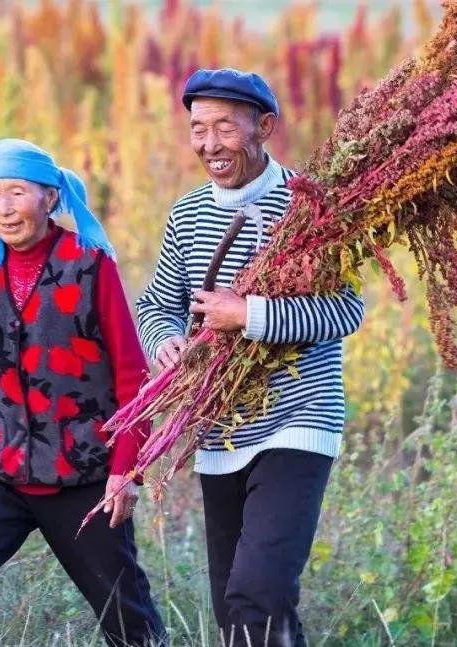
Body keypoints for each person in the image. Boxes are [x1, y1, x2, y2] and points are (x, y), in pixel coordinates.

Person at [135, 69, 365, 646]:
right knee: (236, 605)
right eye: (198, 129)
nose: (210, 144)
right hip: (222, 435)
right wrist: (164, 340)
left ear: (264, 127)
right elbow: (156, 303)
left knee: (256, 592)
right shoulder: (186, 215)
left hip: (299, 421)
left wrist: (250, 314)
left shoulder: (311, 207)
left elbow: (344, 313)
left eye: (224, 129)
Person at [0, 138, 166, 647]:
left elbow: (132, 377)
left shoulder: (90, 264)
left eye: (17, 192)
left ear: (50, 198)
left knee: (127, 616)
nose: (4, 208)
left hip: (83, 474)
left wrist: (127, 470)